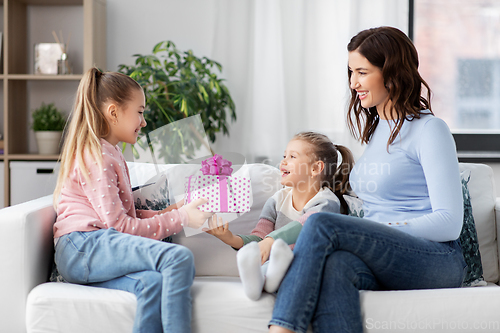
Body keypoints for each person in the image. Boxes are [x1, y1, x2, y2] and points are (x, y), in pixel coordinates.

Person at [268, 26, 467, 333]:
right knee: (336, 267)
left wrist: (379, 230)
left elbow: (449, 222)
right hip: (388, 254)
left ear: (391, 73)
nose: (353, 83)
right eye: (350, 72)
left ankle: (280, 329)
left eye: (362, 72)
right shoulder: (377, 132)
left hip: (436, 259)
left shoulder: (430, 130)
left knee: (321, 224)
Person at [52, 67, 212, 333]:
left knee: (151, 283)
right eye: (140, 112)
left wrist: (171, 212)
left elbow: (127, 220)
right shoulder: (99, 157)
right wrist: (181, 218)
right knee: (178, 259)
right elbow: (120, 228)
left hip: (88, 248)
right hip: (83, 246)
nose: (144, 121)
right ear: (113, 112)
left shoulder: (111, 153)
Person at [205, 132, 354, 300]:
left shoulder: (327, 202)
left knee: (286, 266)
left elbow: (308, 223)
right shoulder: (277, 200)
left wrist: (272, 240)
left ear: (315, 168)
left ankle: (268, 281)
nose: (283, 161)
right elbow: (260, 238)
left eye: (292, 156)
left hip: (308, 264)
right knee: (267, 265)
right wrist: (230, 238)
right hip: (273, 262)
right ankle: (261, 284)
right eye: (284, 155)